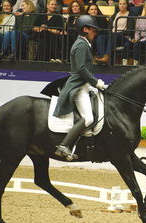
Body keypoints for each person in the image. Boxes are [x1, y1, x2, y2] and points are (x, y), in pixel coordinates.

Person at [53, 15, 107, 160]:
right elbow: (82, 69)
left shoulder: (83, 44)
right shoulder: (81, 45)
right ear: (85, 29)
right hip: (78, 87)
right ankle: (64, 145)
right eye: (93, 30)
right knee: (89, 118)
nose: (95, 33)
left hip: (84, 85)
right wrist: (96, 83)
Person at [94, 0, 136, 64]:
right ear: (118, 5)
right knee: (101, 37)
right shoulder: (115, 15)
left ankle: (107, 56)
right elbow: (109, 27)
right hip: (113, 37)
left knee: (114, 35)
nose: (122, 5)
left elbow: (130, 31)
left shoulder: (131, 14)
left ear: (127, 5)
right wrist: (111, 33)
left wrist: (117, 33)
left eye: (124, 4)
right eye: (120, 4)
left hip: (124, 37)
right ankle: (102, 58)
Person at [123, 0, 146, 66]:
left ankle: (135, 63)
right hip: (138, 39)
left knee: (137, 44)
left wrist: (139, 40)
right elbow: (137, 31)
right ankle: (124, 63)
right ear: (144, 8)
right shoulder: (139, 18)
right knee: (127, 44)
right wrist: (136, 38)